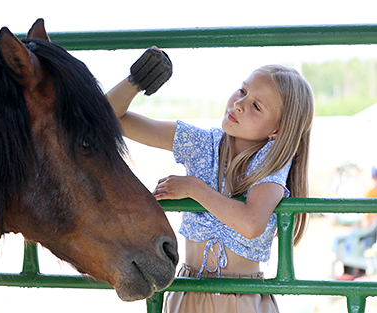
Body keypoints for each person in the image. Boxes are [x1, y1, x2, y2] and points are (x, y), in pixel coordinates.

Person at [106, 48, 314, 313]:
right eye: (242, 91)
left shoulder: (272, 159)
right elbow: (109, 117)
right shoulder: (200, 143)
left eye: (256, 106)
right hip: (188, 292)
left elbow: (251, 223)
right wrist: (135, 81)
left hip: (242, 299)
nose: (239, 103)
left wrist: (193, 188)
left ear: (277, 130)